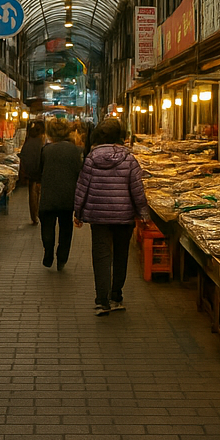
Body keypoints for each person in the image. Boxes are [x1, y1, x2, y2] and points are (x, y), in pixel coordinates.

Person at [73, 118, 148, 315]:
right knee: (121, 256)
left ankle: (101, 301)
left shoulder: (91, 158)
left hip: (98, 217)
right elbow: (137, 190)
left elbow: (82, 187)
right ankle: (116, 296)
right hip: (124, 216)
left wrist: (78, 212)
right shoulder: (130, 159)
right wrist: (143, 213)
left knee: (101, 257)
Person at [37, 118, 82, 271]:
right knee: (65, 226)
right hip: (67, 195)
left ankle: (48, 252)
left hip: (48, 194)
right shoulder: (76, 150)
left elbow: (40, 171)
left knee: (47, 225)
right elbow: (79, 172)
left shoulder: (45, 150)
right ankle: (62, 257)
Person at [18, 119, 45, 225]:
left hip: (29, 170)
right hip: (39, 170)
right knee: (38, 192)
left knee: (31, 193)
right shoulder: (41, 142)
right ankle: (37, 213)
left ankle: (34, 216)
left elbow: (23, 155)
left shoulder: (28, 140)